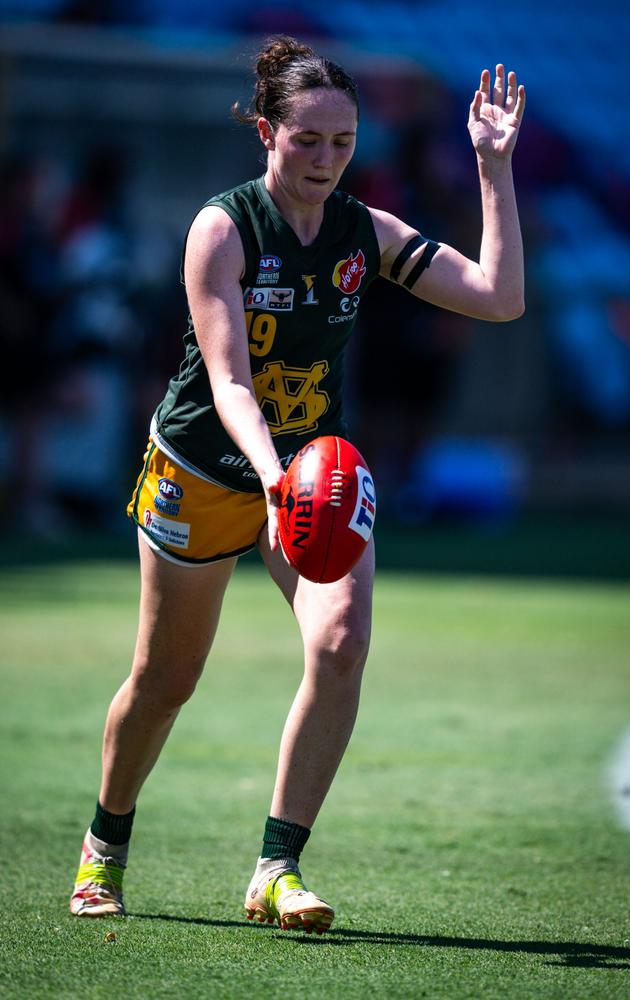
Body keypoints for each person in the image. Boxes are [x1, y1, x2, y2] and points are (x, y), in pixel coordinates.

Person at [70, 36, 525, 933]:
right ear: (268, 133)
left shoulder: (366, 231)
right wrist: (274, 477)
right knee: (166, 680)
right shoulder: (223, 228)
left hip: (312, 474)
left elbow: (498, 297)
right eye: (307, 140)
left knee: (341, 642)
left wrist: (492, 168)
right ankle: (104, 846)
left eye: (343, 143)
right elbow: (230, 379)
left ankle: (277, 868)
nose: (325, 160)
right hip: (204, 467)